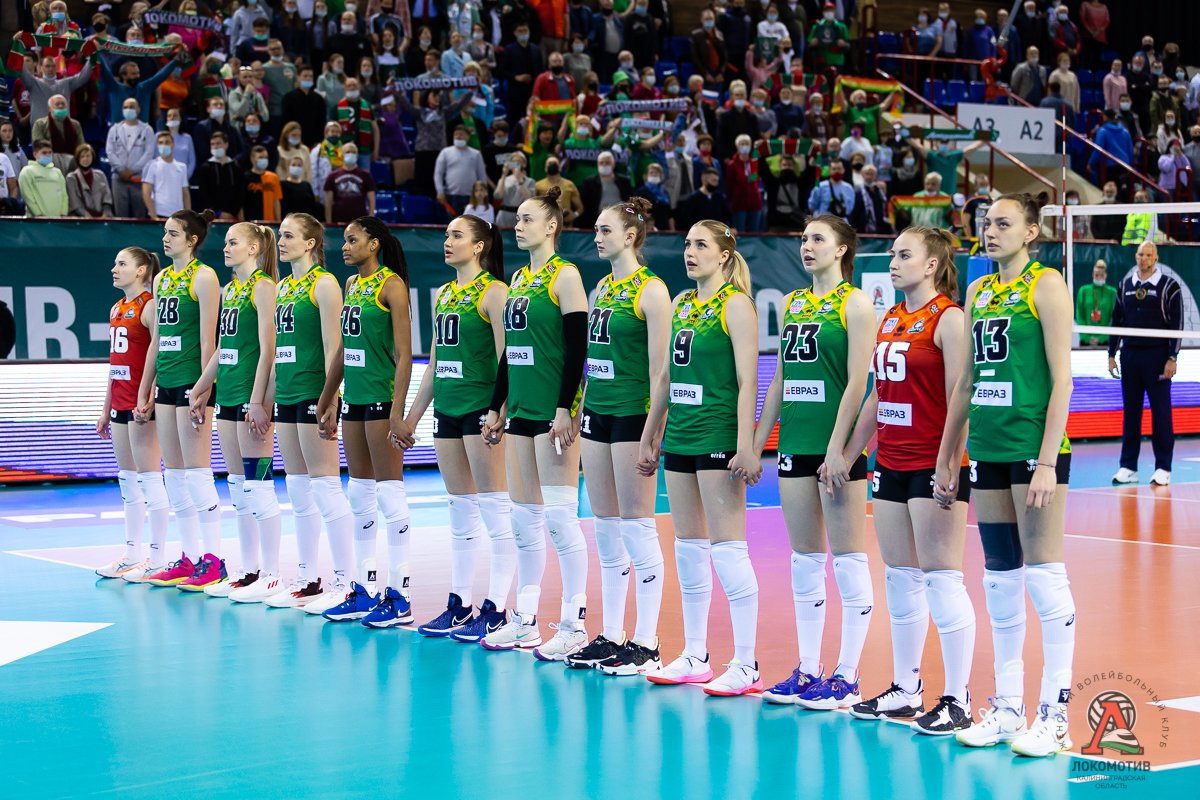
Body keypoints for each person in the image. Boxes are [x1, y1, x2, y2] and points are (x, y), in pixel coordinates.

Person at [935, 194, 1077, 758]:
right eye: (985, 223)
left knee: (1044, 576)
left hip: (1032, 448)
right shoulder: (978, 291)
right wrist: (948, 453)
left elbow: (1063, 379)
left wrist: (1047, 460)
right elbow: (967, 382)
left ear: (1032, 231)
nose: (990, 231)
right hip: (988, 450)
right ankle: (1009, 707)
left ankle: (1056, 715)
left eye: (1003, 223)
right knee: (1000, 578)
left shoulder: (1047, 285)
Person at [838, 227, 976, 734]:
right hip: (891, 463)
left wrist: (948, 462)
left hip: (932, 463)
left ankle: (958, 698)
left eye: (904, 255)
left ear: (932, 264)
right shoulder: (892, 317)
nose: (893, 262)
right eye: (893, 254)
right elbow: (879, 396)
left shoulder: (949, 318)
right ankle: (905, 688)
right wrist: (850, 453)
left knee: (942, 578)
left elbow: (961, 396)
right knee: (900, 577)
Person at [751, 215, 874, 709]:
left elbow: (858, 382)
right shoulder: (794, 303)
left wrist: (839, 450)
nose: (807, 245)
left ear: (842, 249)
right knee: (804, 561)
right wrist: (756, 443)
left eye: (817, 238)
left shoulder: (855, 303)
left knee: (848, 559)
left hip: (837, 452)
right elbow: (782, 378)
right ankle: (808, 668)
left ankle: (848, 675)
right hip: (794, 445)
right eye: (803, 238)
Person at [637, 220, 762, 694]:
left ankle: (746, 663)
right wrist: (651, 433)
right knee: (688, 549)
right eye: (687, 244)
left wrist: (746, 444)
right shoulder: (682, 302)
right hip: (680, 438)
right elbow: (667, 376)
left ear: (724, 255)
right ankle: (694, 655)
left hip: (718, 437)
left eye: (701, 245)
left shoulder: (736, 305)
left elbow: (748, 381)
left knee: (728, 551)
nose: (690, 252)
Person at [477, 187, 591, 658]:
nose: (518, 226)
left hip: (552, 413)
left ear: (551, 226)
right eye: (517, 219)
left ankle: (574, 624)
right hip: (521, 411)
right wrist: (497, 405)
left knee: (561, 521)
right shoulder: (520, 278)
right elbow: (511, 352)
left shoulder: (566, 276)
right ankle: (524, 620)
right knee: (523, 521)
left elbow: (578, 349)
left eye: (527, 219)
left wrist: (565, 408)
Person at [559, 198, 671, 675]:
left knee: (637, 527)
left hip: (632, 415)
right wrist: (576, 408)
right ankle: (611, 634)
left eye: (605, 230)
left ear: (630, 236)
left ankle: (647, 641)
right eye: (596, 230)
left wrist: (653, 433)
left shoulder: (653, 290)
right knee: (605, 529)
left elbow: (661, 370)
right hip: (598, 414)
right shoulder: (602, 286)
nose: (597, 237)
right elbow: (591, 360)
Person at [399, 215, 517, 639]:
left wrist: (499, 409)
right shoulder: (447, 293)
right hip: (447, 411)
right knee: (460, 511)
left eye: (456, 235)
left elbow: (508, 357)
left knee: (495, 510)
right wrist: (412, 417)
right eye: (446, 234)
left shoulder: (495, 292)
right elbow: (434, 364)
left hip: (480, 410)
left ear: (480, 246)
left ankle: (497, 607)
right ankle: (460, 604)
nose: (447, 241)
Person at [316, 218, 416, 626]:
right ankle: (364, 589)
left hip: (380, 399)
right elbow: (345, 350)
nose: (344, 246)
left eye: (352, 239)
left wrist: (398, 410)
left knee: (390, 495)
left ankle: (401, 594)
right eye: (343, 240)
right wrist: (327, 397)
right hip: (354, 401)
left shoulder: (392, 285)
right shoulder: (352, 285)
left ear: (373, 244)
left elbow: (405, 354)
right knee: (359, 495)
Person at [188, 223, 281, 600]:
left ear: (254, 248)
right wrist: (201, 386)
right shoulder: (232, 290)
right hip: (226, 395)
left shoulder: (264, 287)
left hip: (248, 397)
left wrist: (259, 401)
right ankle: (249, 569)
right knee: (239, 488)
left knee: (259, 487)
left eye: (233, 242)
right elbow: (224, 347)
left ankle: (271, 575)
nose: (225, 248)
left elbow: (270, 350)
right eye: (225, 242)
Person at [133, 210, 224, 589]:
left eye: (173, 233)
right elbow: (157, 340)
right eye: (164, 232)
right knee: (175, 475)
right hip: (166, 384)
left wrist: (204, 388)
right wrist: (144, 389)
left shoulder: (204, 277)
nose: (165, 239)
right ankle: (189, 558)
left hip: (191, 383)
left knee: (198, 473)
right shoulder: (161, 279)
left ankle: (214, 560)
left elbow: (208, 338)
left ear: (192, 239)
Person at [95, 247, 170, 580]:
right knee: (128, 480)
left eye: (122, 264)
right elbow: (115, 364)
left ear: (141, 271)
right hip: (120, 404)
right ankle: (131, 554)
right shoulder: (116, 307)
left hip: (142, 405)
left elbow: (159, 355)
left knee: (150, 479)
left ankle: (158, 558)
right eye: (115, 263)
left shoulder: (149, 306)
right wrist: (105, 408)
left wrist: (149, 396)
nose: (114, 268)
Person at [1108, 241, 1183, 487]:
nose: (1144, 258)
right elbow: (1116, 321)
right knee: (1131, 413)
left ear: (1156, 258)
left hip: (1158, 358)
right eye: (1140, 254)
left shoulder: (1169, 286)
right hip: (1130, 356)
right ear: (1135, 256)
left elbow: (1177, 325)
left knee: (1161, 414)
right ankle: (1128, 467)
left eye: (1149, 254)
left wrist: (1172, 357)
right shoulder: (1124, 285)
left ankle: (1163, 468)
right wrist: (1111, 354)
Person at [105, 98, 156, 218]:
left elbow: (149, 154)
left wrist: (133, 170)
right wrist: (121, 169)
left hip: (139, 179)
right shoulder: (114, 129)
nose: (129, 109)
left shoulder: (147, 130)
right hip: (118, 178)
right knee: (120, 217)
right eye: (126, 107)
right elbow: (110, 152)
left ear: (138, 109)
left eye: (132, 106)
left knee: (140, 216)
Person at [435, 126, 490, 216]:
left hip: (471, 196)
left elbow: (482, 174)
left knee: (470, 222)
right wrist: (439, 191)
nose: (458, 136)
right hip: (451, 195)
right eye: (456, 134)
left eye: (461, 134)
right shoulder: (445, 152)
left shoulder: (476, 154)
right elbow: (438, 173)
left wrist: (483, 193)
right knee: (453, 223)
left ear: (468, 136)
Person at [196, 132, 245, 220]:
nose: (215, 146)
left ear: (226, 144)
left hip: (233, 215)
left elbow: (240, 192)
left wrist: (233, 212)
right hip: (213, 216)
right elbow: (204, 195)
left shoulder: (235, 167)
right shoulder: (205, 167)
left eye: (218, 143)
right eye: (212, 144)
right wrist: (218, 213)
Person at [142, 132, 190, 220]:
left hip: (178, 215)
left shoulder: (182, 167)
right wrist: (154, 216)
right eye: (161, 143)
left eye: (167, 142)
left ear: (173, 145)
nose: (164, 145)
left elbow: (185, 194)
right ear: (157, 145)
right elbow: (146, 193)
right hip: (159, 214)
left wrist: (188, 217)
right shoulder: (151, 165)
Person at [324, 144, 376, 224]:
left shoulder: (366, 175)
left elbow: (371, 200)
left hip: (359, 222)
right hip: (338, 221)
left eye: (354, 152)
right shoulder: (332, 176)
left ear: (357, 156)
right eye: (348, 152)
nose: (351, 154)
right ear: (342, 155)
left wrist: (371, 221)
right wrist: (329, 223)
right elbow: (328, 202)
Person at [31, 94, 83, 173]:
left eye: (63, 104)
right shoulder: (40, 124)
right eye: (57, 104)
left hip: (73, 163)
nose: (61, 106)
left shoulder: (75, 124)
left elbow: (81, 146)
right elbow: (39, 147)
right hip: (49, 163)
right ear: (49, 108)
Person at [725, 134, 765, 233]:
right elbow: (729, 186)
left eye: (747, 144)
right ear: (737, 146)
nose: (745, 146)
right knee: (740, 233)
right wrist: (731, 201)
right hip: (739, 204)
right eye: (742, 144)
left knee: (754, 233)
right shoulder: (732, 165)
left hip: (755, 203)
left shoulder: (754, 161)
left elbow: (756, 179)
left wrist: (759, 146)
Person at [19, 141, 68, 218]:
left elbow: (64, 195)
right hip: (36, 220)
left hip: (58, 220)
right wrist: (38, 215)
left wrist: (63, 214)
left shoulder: (57, 172)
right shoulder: (27, 171)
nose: (48, 155)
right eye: (44, 153)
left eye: (50, 152)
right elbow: (28, 196)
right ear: (35, 154)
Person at [1075, 259, 1117, 348]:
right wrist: (1086, 337)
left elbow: (1114, 318)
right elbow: (1079, 316)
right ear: (1092, 274)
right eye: (1096, 274)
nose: (1098, 277)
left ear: (1106, 275)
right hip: (1085, 341)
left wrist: (1102, 338)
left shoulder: (1112, 292)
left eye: (1101, 275)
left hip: (1106, 342)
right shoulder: (1083, 291)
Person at [67, 144, 114, 218]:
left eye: (88, 156)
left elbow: (107, 197)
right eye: (82, 156)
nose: (85, 159)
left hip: (102, 218)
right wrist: (87, 216)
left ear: (93, 157)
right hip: (81, 218)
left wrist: (105, 214)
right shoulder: (71, 178)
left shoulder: (100, 175)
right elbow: (74, 203)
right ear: (78, 159)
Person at [243, 146, 284, 222]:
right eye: (260, 157)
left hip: (270, 223)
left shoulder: (273, 177)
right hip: (250, 222)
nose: (264, 160)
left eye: (266, 157)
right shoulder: (245, 177)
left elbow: (276, 201)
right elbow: (241, 203)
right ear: (252, 159)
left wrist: (278, 221)